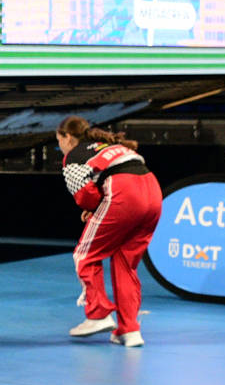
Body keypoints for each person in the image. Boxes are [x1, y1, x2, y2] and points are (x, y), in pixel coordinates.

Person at [57, 116, 161, 347]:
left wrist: (92, 208)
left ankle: (98, 314)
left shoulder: (72, 156)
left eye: (58, 141)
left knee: (84, 255)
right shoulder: (113, 146)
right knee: (125, 265)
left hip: (124, 193)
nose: (60, 147)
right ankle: (130, 330)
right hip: (153, 193)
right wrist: (98, 207)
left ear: (67, 137)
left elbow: (84, 194)